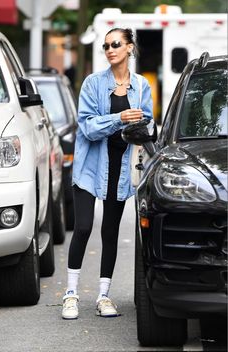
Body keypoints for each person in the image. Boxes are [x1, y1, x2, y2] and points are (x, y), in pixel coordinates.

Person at [62, 27, 153, 320]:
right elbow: (87, 127)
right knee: (84, 227)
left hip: (120, 167)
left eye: (115, 44)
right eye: (105, 46)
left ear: (129, 48)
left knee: (110, 232)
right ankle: (71, 294)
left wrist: (140, 128)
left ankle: (103, 295)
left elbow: (147, 123)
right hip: (90, 167)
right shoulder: (92, 83)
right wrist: (120, 118)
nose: (109, 49)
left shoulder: (142, 87)